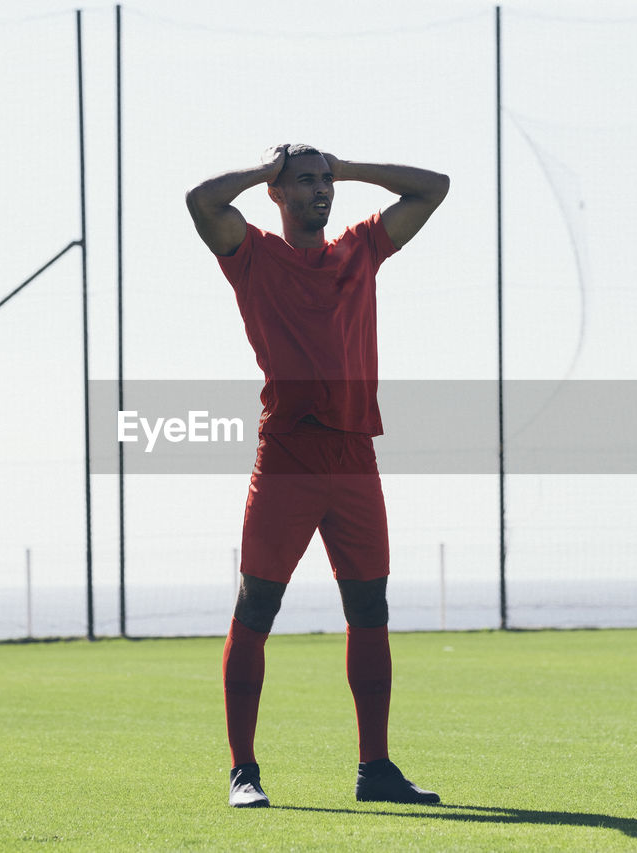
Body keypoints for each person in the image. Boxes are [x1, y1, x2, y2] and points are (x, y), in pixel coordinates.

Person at [185, 144, 449, 808]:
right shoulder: (252, 256)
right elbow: (202, 201)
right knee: (257, 606)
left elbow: (434, 188)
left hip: (356, 455)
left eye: (324, 181)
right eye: (305, 181)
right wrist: (263, 170)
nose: (320, 190)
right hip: (289, 457)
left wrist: (349, 167)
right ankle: (243, 770)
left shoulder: (360, 249)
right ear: (278, 193)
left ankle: (376, 768)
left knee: (371, 609)